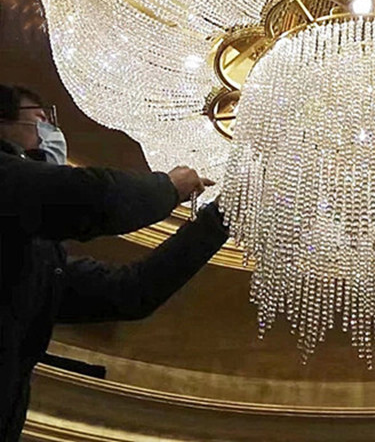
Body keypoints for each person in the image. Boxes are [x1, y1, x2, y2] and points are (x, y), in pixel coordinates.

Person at [0, 85, 229, 441]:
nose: (50, 129)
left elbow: (130, 291)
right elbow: (87, 197)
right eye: (41, 117)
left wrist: (222, 216)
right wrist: (169, 187)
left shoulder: (37, 262)